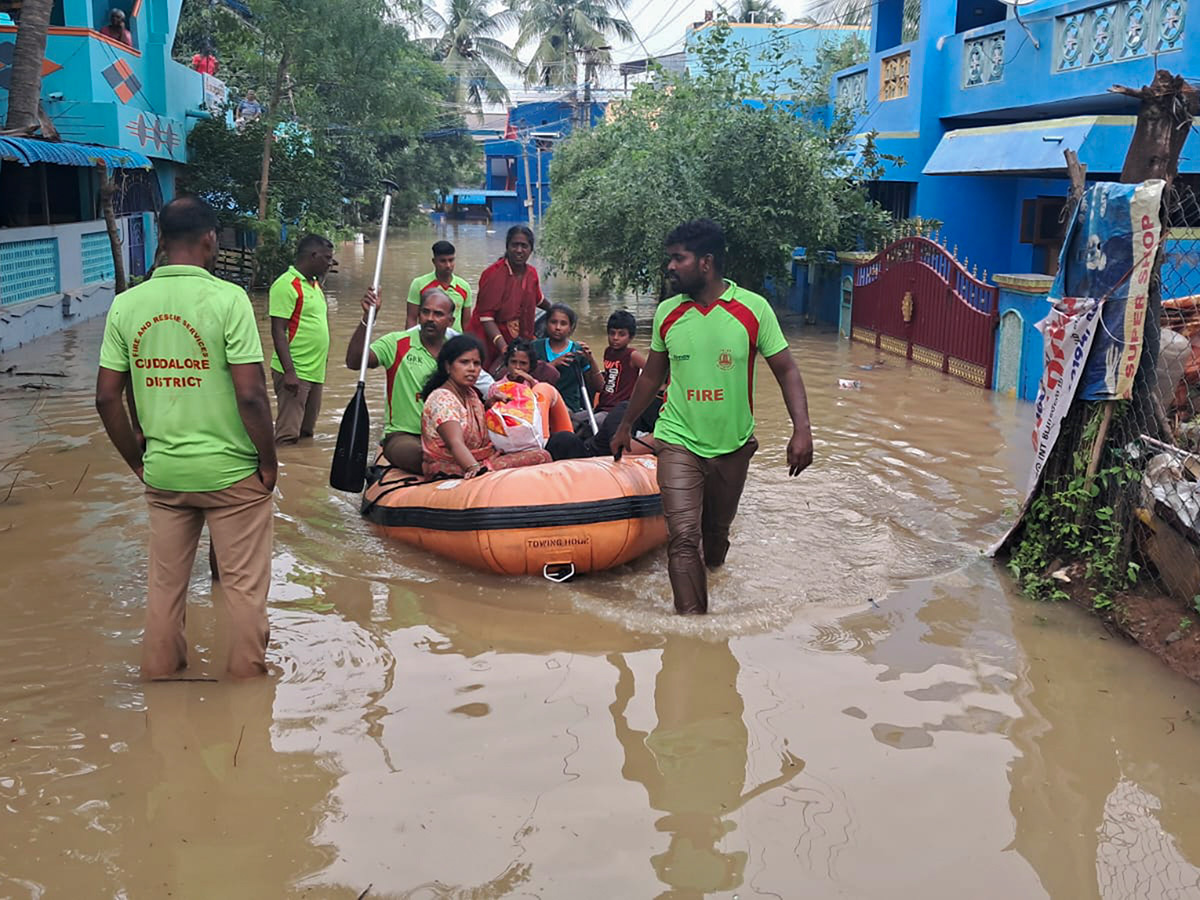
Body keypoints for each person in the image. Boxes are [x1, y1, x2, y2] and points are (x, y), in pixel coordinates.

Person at [95, 195, 276, 677]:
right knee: (242, 589)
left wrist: (137, 460)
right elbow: (252, 396)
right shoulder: (229, 299)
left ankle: (161, 681)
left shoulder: (127, 304)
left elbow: (107, 398)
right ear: (210, 239)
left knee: (165, 588)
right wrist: (270, 461)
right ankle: (244, 694)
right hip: (233, 474)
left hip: (165, 474)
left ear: (160, 239)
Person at [612, 219, 814, 615]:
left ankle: (715, 573)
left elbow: (786, 369)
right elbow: (652, 375)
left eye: (677, 258)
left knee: (715, 538)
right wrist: (625, 425)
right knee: (684, 537)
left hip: (733, 445)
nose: (670, 267)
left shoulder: (753, 309)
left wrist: (802, 430)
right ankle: (693, 632)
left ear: (705, 262)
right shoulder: (668, 313)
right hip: (677, 439)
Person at [346, 287, 456, 473]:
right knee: (429, 457)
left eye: (438, 314)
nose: (430, 318)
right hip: (404, 436)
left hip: (448, 436)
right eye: (425, 312)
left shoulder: (458, 351)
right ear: (419, 314)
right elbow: (354, 361)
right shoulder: (396, 343)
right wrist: (368, 318)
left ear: (450, 321)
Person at [420, 335, 551, 478]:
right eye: (464, 362)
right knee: (541, 456)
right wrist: (477, 471)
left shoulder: (469, 394)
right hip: (454, 467)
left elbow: (475, 424)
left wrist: (490, 404)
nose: (472, 369)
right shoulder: (442, 399)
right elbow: (455, 443)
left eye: (476, 364)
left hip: (481, 459)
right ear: (448, 366)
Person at [269, 234, 334, 444]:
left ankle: (305, 471)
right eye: (327, 258)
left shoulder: (315, 285)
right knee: (287, 435)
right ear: (313, 256)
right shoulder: (286, 285)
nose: (330, 263)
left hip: (314, 371)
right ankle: (286, 473)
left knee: (307, 432)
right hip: (295, 371)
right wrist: (289, 372)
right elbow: (278, 331)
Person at [466, 224, 551, 371]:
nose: (519, 250)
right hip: (486, 339)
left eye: (524, 246)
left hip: (516, 339)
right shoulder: (493, 274)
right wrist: (504, 347)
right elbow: (486, 318)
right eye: (515, 245)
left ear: (531, 249)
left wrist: (557, 310)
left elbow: (538, 300)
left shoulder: (531, 273)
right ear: (507, 247)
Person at [531, 302, 602, 428]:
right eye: (553, 322)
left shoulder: (577, 351)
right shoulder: (535, 347)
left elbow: (599, 386)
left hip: (570, 409)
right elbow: (527, 379)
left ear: (571, 328)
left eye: (563, 324)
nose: (558, 327)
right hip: (539, 405)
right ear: (546, 324)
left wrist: (591, 360)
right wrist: (553, 365)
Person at [594, 309, 646, 429]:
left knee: (592, 424)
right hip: (603, 406)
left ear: (630, 337)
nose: (615, 338)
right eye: (612, 333)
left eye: (621, 334)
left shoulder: (632, 355)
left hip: (617, 410)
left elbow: (653, 373)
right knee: (573, 418)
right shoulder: (608, 351)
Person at [406, 240, 472, 331]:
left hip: (455, 342)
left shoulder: (464, 287)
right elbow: (411, 318)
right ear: (434, 262)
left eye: (451, 260)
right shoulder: (419, 284)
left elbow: (466, 323)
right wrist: (410, 342)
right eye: (443, 261)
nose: (448, 265)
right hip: (427, 338)